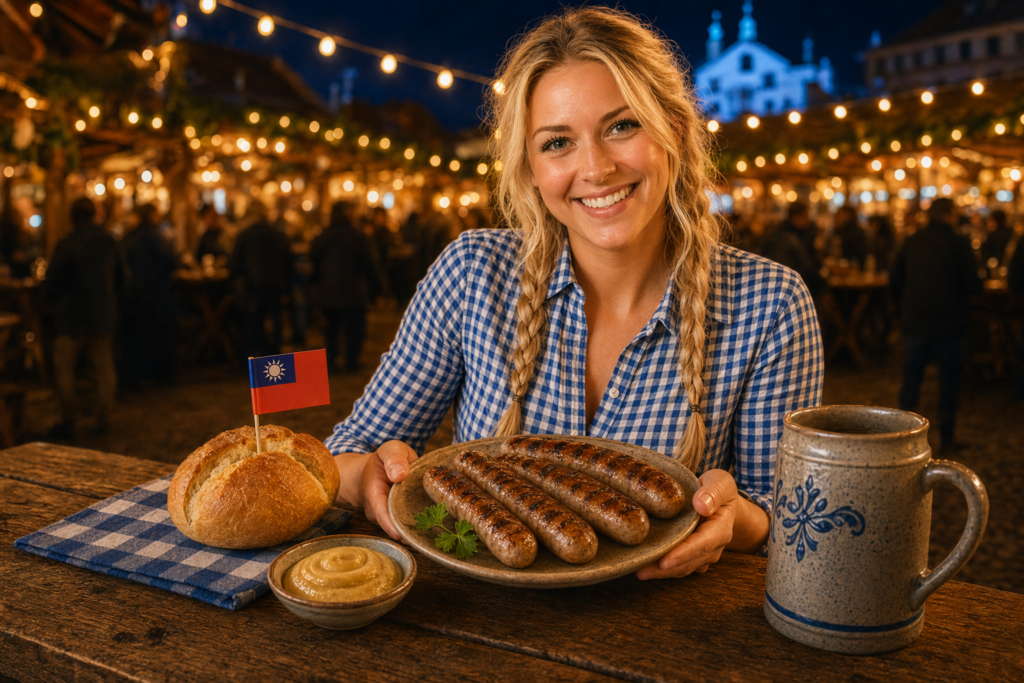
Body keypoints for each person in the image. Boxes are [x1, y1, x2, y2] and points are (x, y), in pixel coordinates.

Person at [325, 7, 823, 580]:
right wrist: (363, 477)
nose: (596, 167)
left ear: (676, 133)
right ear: (531, 167)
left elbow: (792, 521)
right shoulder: (471, 273)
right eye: (558, 142)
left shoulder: (772, 303)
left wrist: (739, 521)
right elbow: (349, 450)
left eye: (622, 126)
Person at [891, 198, 982, 451]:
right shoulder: (959, 243)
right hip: (949, 324)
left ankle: (900, 439)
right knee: (949, 384)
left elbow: (894, 278)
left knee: (911, 383)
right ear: (951, 215)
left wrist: (901, 310)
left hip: (915, 322)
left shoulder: (912, 240)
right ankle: (947, 437)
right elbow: (974, 284)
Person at [44, 197, 127, 436]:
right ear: (94, 215)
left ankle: (70, 418)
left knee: (64, 368)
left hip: (71, 317)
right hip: (102, 314)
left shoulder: (67, 243)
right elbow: (123, 278)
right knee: (103, 367)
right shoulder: (109, 241)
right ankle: (104, 417)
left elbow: (53, 281)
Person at [311, 202, 382, 372]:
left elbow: (314, 260)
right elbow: (370, 264)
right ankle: (351, 361)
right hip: (353, 289)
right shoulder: (358, 236)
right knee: (354, 328)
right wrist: (378, 288)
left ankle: (332, 360)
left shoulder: (323, 236)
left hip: (330, 289)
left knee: (332, 329)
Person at [120, 204, 177, 389]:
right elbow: (170, 261)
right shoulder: (156, 237)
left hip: (134, 296)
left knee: (138, 338)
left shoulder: (130, 237)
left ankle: (138, 376)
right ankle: (161, 375)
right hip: (157, 293)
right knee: (159, 336)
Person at [229, 201, 293, 358]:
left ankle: (255, 354)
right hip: (275, 284)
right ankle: (275, 352)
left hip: (253, 285)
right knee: (275, 319)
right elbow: (289, 260)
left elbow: (234, 263)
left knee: (254, 321)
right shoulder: (279, 234)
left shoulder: (244, 235)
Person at [760, 202, 824, 296]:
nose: (808, 219)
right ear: (795, 217)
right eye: (805, 216)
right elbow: (801, 263)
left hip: (796, 284)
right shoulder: (784, 236)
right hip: (791, 287)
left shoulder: (802, 233)